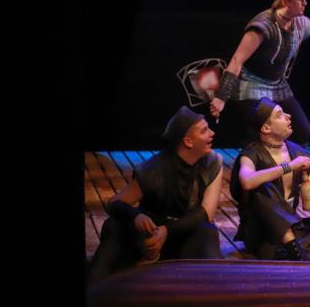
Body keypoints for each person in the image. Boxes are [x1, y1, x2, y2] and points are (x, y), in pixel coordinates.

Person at [88, 106, 224, 285]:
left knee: (207, 231)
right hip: (150, 234)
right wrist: (136, 215)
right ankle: (96, 288)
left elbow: (206, 213)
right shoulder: (153, 170)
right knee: (114, 226)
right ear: (188, 141)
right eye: (204, 130)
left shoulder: (213, 162)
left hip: (185, 231)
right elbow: (115, 202)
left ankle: (210, 289)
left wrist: (167, 230)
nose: (212, 133)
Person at [230, 97, 310, 261]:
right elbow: (247, 181)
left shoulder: (297, 152)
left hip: (293, 229)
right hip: (263, 233)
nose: (288, 116)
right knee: (263, 187)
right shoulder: (251, 154)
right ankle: (294, 250)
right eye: (280, 115)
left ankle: (292, 253)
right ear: (266, 127)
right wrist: (289, 166)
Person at [210, 0, 310, 147]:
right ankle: (254, 160)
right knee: (263, 132)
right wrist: (221, 97)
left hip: (278, 84)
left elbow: (293, 44)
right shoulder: (262, 26)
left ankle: (285, 161)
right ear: (285, 1)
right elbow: (237, 60)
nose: (305, 3)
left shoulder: (304, 24)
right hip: (252, 83)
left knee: (303, 133)